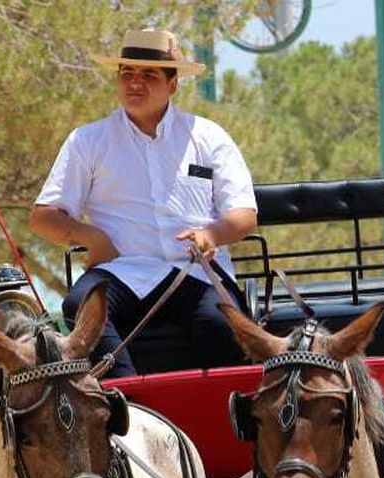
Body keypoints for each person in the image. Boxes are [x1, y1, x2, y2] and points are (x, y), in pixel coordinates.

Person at [30, 28, 258, 377]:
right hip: (123, 270)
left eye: (149, 75)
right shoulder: (87, 141)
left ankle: (217, 419)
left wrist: (212, 235)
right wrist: (90, 237)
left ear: (173, 84)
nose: (134, 83)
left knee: (222, 323)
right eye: (127, 74)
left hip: (194, 272)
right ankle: (129, 408)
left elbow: (244, 214)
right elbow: (44, 216)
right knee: (80, 307)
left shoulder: (209, 137)